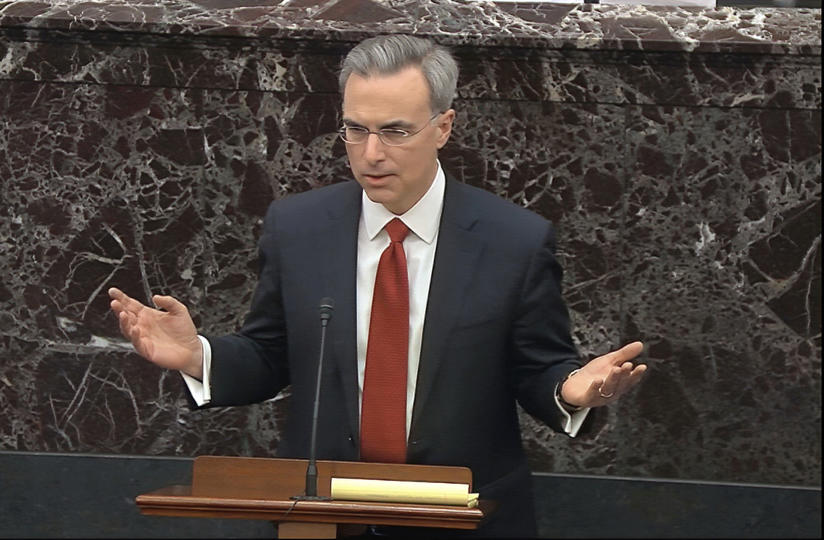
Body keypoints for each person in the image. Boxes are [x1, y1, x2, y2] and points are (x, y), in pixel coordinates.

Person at [108, 34, 646, 537]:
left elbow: (537, 367)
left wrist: (572, 390)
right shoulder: (297, 227)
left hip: (460, 513)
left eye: (394, 130)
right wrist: (197, 357)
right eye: (355, 129)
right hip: (319, 513)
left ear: (443, 126)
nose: (370, 153)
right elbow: (271, 353)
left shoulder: (515, 241)